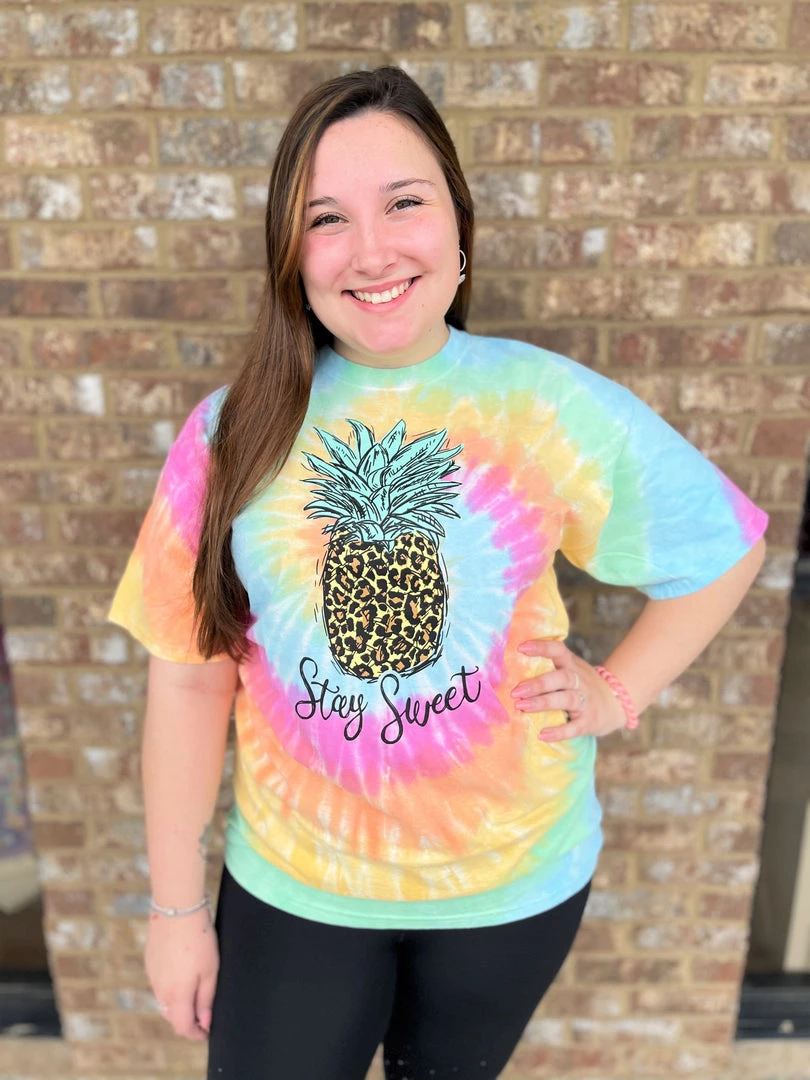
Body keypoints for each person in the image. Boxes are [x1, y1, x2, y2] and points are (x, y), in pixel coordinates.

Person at [108, 66, 768, 1080]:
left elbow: (725, 546)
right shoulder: (232, 432)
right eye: (327, 218)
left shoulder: (543, 404)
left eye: (404, 203)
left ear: (458, 225)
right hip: (297, 889)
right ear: (291, 253)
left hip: (513, 888)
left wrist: (618, 690)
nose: (371, 250)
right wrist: (175, 909)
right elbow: (190, 682)